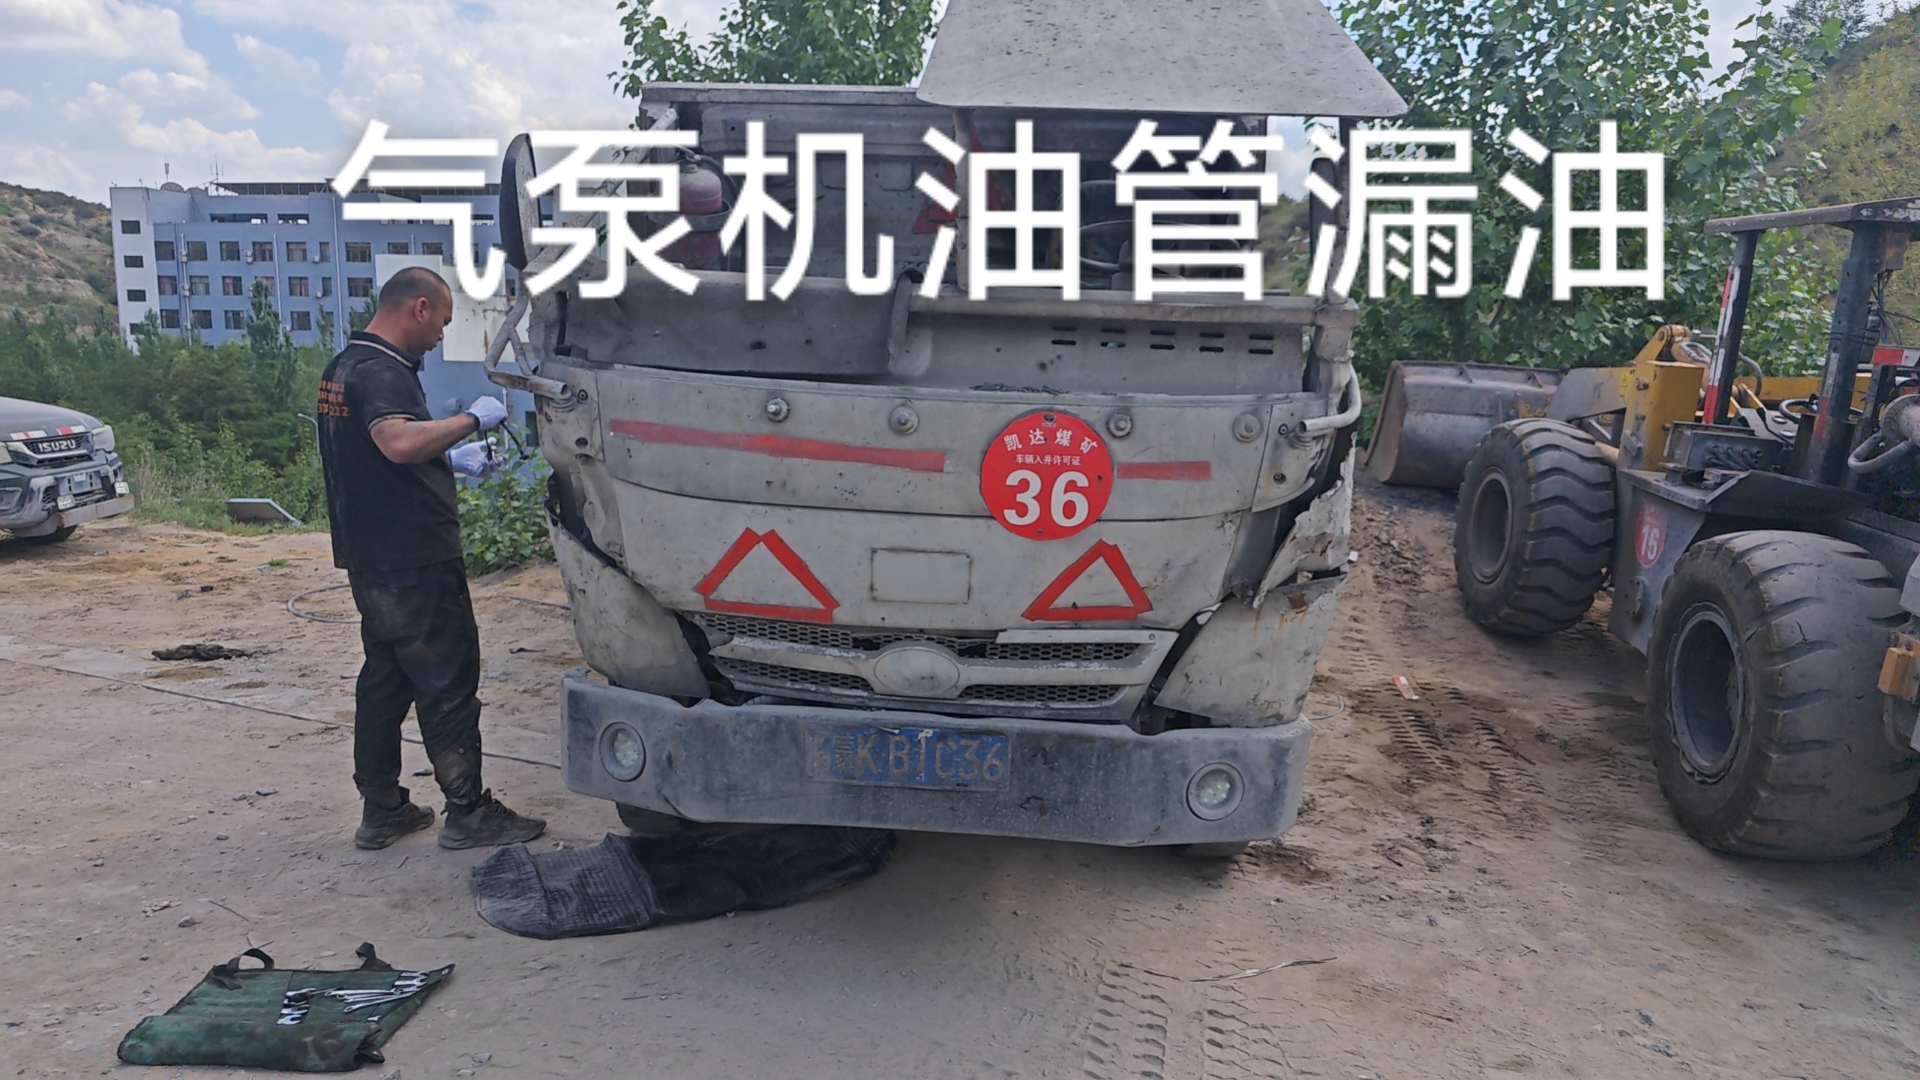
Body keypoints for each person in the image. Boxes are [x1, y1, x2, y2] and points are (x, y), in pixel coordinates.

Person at [316, 266, 547, 851]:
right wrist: (471, 420)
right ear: (418, 308)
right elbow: (396, 442)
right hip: (414, 555)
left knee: (387, 678)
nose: (442, 335)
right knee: (447, 678)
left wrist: (450, 461)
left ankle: (382, 809)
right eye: (441, 322)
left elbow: (374, 456)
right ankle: (468, 812)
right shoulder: (384, 371)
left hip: (371, 555)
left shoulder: (344, 366)